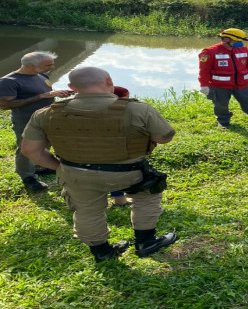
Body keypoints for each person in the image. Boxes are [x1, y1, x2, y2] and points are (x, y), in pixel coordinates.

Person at [20, 67, 177, 262]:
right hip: (130, 173)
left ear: (71, 87)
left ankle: (102, 252)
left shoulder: (45, 114)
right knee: (147, 196)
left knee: (87, 210)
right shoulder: (137, 109)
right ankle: (146, 242)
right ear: (109, 81)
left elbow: (29, 150)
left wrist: (59, 167)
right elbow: (163, 137)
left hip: (76, 174)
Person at [0, 51, 74, 192]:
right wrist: (42, 96)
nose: (51, 67)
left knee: (45, 142)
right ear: (31, 65)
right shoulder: (9, 81)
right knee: (25, 148)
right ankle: (28, 177)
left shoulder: (40, 75)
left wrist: (58, 93)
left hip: (47, 117)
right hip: (26, 120)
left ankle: (41, 165)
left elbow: (42, 92)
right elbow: (5, 105)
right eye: (48, 65)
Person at [198, 28, 248, 128]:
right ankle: (223, 122)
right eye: (237, 41)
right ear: (226, 40)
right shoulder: (209, 52)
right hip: (219, 86)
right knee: (221, 105)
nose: (240, 43)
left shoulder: (243, 49)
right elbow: (204, 70)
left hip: (241, 84)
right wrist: (204, 85)